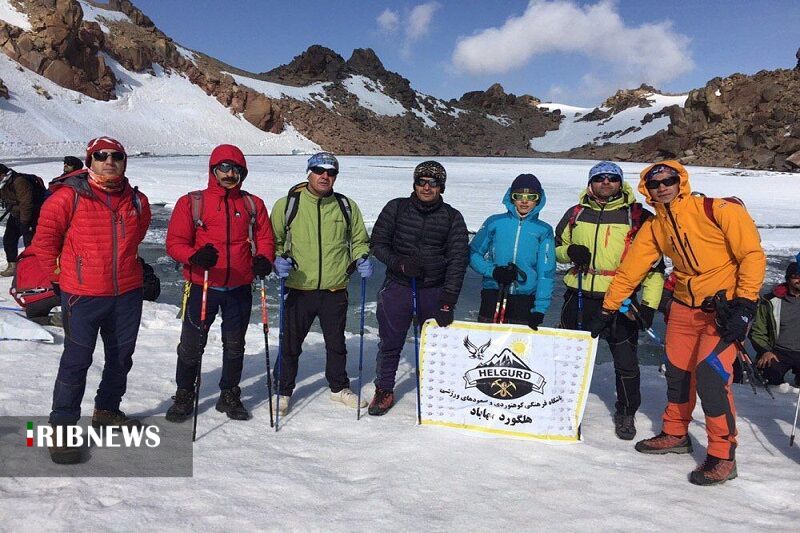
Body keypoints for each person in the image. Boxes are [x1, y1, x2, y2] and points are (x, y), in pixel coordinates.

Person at [594, 160, 765, 486]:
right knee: (678, 373)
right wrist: (608, 308)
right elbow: (632, 269)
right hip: (684, 310)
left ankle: (723, 454)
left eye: (669, 179)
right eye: (655, 184)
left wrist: (745, 303)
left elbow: (752, 256)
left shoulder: (719, 210)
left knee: (711, 378)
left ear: (680, 180)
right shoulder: (656, 226)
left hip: (723, 310)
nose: (663, 187)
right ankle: (675, 433)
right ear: (648, 190)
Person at [30, 137, 151, 464]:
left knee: (121, 357)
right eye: (101, 156)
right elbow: (43, 245)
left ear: (124, 161)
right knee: (76, 361)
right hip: (82, 296)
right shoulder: (66, 198)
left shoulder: (138, 201)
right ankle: (62, 429)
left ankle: (107, 410)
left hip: (126, 294)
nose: (109, 161)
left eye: (116, 156)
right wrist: (62, 280)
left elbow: (135, 240)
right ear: (90, 161)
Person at [164, 144, 275, 422]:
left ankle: (229, 393)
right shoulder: (192, 202)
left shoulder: (253, 204)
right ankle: (184, 393)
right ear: (213, 171)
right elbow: (175, 243)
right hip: (203, 286)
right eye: (223, 168)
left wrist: (264, 258)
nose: (229, 174)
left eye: (235, 169)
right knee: (192, 344)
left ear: (242, 173)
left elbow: (265, 238)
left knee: (235, 344)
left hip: (239, 286)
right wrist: (195, 256)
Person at [554, 161, 663, 440]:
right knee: (568, 357)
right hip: (579, 294)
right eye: (600, 178)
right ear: (591, 183)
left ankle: (626, 411)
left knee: (625, 361)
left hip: (621, 297)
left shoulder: (638, 217)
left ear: (620, 182)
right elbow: (554, 249)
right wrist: (570, 253)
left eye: (612, 178)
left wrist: (648, 306)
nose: (606, 182)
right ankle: (561, 406)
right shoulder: (575, 213)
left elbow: (655, 268)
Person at [270, 152, 372, 415]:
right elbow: (274, 240)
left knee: (336, 343)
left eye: (331, 172)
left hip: (334, 287)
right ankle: (283, 390)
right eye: (319, 170)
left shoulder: (346, 206)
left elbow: (359, 239)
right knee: (290, 342)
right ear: (309, 172)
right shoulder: (288, 204)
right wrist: (277, 260)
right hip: (298, 286)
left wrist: (360, 256)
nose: (325, 176)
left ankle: (339, 388)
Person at [368, 160, 469, 415]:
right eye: (421, 181)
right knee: (390, 342)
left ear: (441, 187)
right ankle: (384, 389)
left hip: (433, 290)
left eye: (433, 183)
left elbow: (458, 261)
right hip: (398, 286)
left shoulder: (452, 217)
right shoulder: (397, 208)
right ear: (414, 184)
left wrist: (448, 300)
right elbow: (378, 243)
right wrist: (399, 263)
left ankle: (436, 389)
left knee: (435, 344)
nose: (426, 187)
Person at [469, 173, 555, 327]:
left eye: (531, 197)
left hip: (524, 297)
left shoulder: (544, 230)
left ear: (539, 199)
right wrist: (493, 271)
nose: (524, 201)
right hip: (494, 291)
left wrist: (540, 308)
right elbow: (473, 254)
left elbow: (546, 272)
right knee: (488, 344)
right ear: (511, 197)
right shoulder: (495, 222)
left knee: (517, 348)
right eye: (519, 195)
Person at [750, 261, 800, 387]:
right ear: (788, 278)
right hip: (778, 351)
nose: (799, 279)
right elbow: (757, 331)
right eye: (795, 276)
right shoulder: (771, 301)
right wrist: (765, 351)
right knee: (769, 377)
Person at [0, 163, 46, 277]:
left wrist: (25, 223)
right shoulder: (3, 183)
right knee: (8, 239)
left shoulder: (19, 181)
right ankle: (12, 265)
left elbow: (27, 204)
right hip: (15, 214)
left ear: (2, 174)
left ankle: (33, 267)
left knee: (29, 242)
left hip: (30, 215)